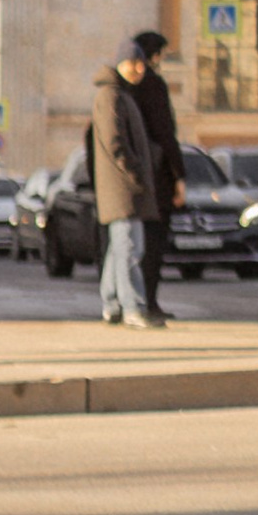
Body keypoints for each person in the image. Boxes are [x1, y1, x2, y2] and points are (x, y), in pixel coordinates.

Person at [89, 48, 166, 329]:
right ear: (119, 63)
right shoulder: (111, 95)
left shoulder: (120, 94)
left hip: (123, 185)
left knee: (119, 249)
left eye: (141, 64)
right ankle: (133, 307)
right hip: (122, 186)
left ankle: (112, 304)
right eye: (132, 64)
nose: (138, 70)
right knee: (131, 248)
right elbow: (114, 142)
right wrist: (135, 173)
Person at [127, 30, 182, 317]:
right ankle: (149, 301)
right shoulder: (154, 86)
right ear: (155, 55)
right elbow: (165, 133)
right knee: (154, 241)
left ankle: (136, 300)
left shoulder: (127, 87)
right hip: (157, 176)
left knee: (135, 243)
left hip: (134, 175)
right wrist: (179, 174)